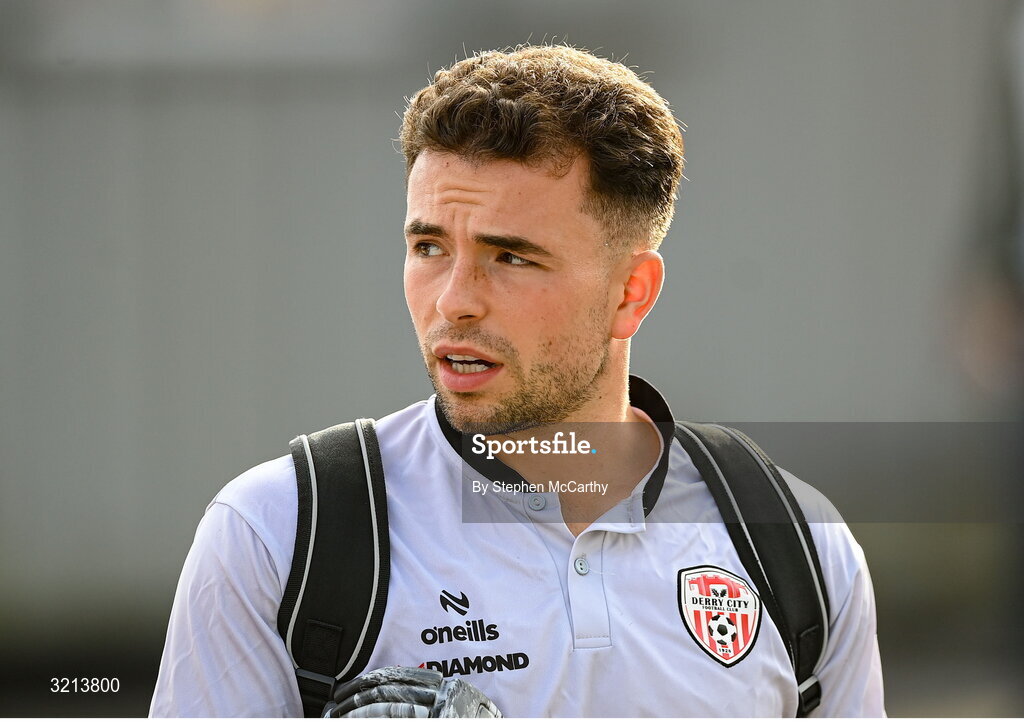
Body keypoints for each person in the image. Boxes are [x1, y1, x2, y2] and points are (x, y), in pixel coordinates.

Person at [150, 44, 884, 717]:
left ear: (631, 294)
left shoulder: (796, 545)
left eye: (512, 257)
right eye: (429, 245)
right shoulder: (282, 534)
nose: (453, 300)